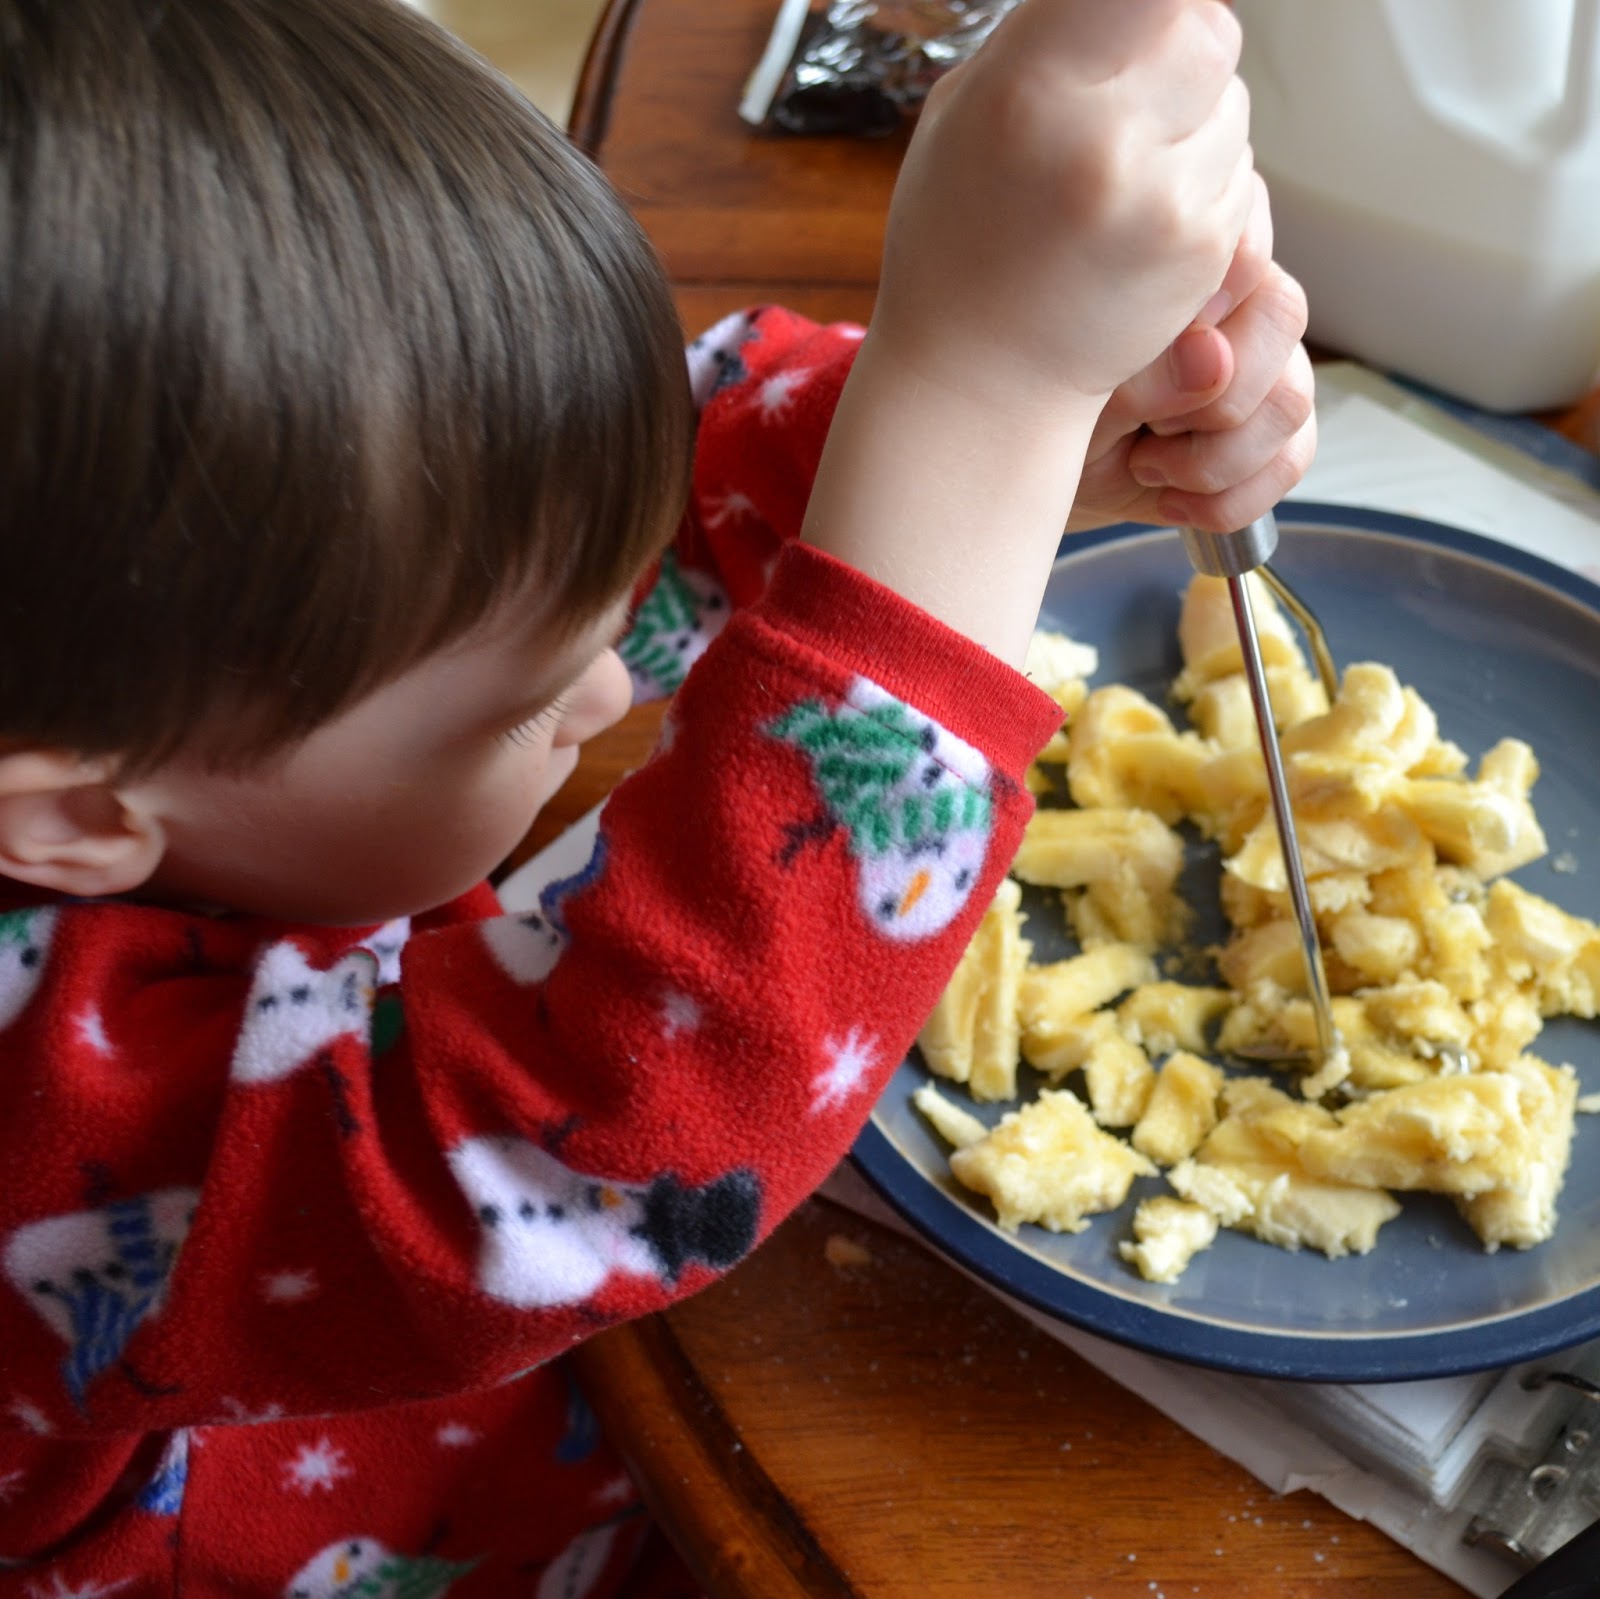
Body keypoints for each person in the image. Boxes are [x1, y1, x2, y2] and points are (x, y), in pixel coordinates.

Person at [0, 0, 1313, 1593]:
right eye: (519, 696)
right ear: (73, 819)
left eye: (604, 608)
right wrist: (985, 391)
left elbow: (599, 492)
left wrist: (1044, 429)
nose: (615, 680)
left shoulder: (140, 638)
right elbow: (589, 1142)